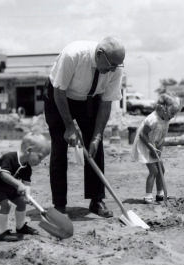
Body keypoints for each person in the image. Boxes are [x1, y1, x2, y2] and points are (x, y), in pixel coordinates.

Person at [43, 37, 125, 217]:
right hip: (59, 97)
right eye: (111, 65)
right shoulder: (72, 55)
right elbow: (59, 91)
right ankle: (59, 205)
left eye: (116, 67)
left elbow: (106, 102)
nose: (113, 70)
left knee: (96, 145)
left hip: (89, 99)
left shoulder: (115, 67)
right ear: (100, 54)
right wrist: (69, 126)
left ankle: (96, 200)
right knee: (60, 146)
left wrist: (97, 136)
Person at [0, 133, 50, 241]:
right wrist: (19, 184)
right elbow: (4, 175)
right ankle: (3, 232)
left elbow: (26, 184)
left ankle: (20, 227)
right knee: (6, 205)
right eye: (40, 157)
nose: (40, 162)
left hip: (9, 186)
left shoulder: (27, 168)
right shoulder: (10, 157)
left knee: (21, 203)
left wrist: (27, 196)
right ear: (29, 150)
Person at [131, 93, 181, 203]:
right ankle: (148, 196)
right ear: (164, 109)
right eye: (172, 113)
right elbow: (142, 135)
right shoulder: (152, 119)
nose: (173, 116)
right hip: (145, 145)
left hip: (155, 145)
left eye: (174, 114)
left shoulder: (166, 120)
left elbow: (162, 137)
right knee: (153, 171)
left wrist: (159, 149)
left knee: (161, 170)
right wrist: (151, 148)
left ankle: (160, 194)